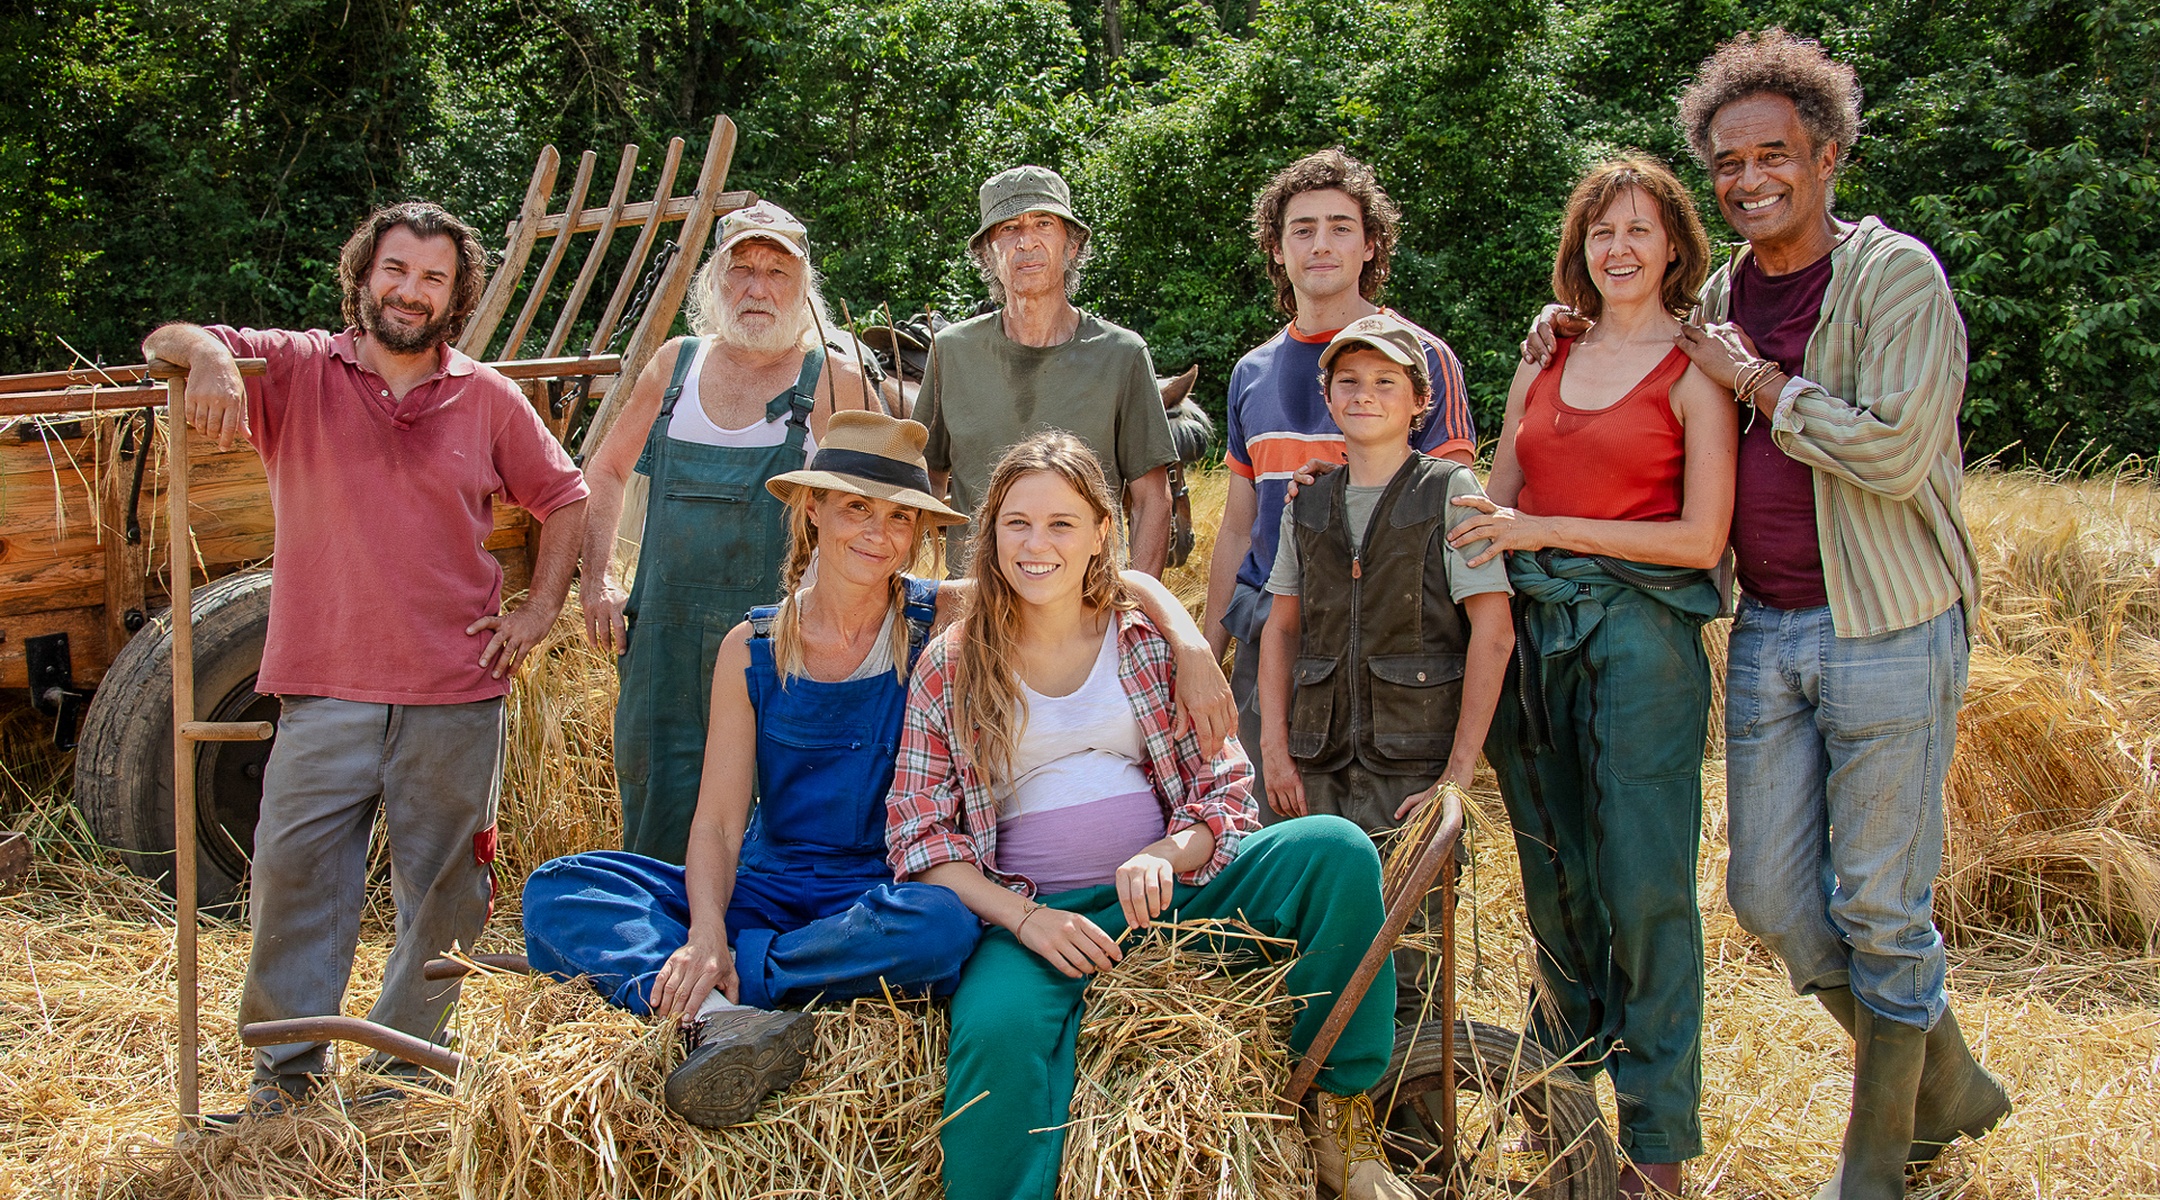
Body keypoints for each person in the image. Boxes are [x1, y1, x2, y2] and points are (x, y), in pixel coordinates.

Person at [1525, 31, 2007, 1199]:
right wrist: (1566, 329)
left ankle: (1880, 1162)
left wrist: (1759, 386)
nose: (1750, 179)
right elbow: (1636, 368)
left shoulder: (1893, 277)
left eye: (1775, 154)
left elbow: (1894, 454)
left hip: (1886, 620)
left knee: (1880, 906)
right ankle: (1946, 1085)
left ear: (1830, 154)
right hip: (1770, 625)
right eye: (1729, 162)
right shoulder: (1725, 295)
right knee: (1770, 899)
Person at [523, 412, 1233, 1128]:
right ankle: (721, 1009)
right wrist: (706, 927)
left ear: (919, 533)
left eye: (899, 517)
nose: (876, 532)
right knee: (562, 888)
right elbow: (717, 821)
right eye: (855, 508)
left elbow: (1114, 578)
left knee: (945, 929)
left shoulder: (943, 614)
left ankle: (741, 986)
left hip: (883, 894)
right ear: (813, 511)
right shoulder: (754, 645)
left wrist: (1190, 641)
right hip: (770, 887)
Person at [142, 202, 591, 1115]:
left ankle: (402, 1077)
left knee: (445, 893)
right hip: (322, 684)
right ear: (364, 275)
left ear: (457, 293)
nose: (411, 292)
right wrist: (218, 357)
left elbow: (567, 496)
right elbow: (167, 338)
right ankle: (287, 1083)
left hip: (455, 690)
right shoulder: (300, 369)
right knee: (293, 878)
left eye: (433, 277)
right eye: (396, 270)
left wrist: (538, 610)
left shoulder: (488, 395)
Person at [887, 432, 1418, 1200]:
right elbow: (917, 832)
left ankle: (1340, 1114)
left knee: (1336, 849)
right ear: (990, 533)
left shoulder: (1145, 642)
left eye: (1062, 523)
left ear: (1103, 531)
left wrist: (1168, 853)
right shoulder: (954, 662)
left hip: (1168, 898)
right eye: (1017, 524)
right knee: (996, 1037)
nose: (1038, 545)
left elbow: (1226, 788)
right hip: (1037, 919)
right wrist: (1023, 919)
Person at [1467, 156, 1738, 1196]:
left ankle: (1660, 1145)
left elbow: (1701, 536)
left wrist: (1547, 528)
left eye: (1639, 231)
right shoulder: (1547, 351)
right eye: (1599, 233)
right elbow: (1495, 504)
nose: (1618, 250)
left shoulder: (1699, 365)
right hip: (1535, 633)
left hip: (1643, 636)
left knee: (1643, 886)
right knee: (1556, 875)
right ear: (1577, 250)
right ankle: (1563, 1106)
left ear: (1675, 245)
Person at [579, 201, 881, 864]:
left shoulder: (833, 379)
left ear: (805, 288)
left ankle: (745, 959)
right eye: (741, 268)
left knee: (771, 826)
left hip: (778, 650)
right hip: (661, 648)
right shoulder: (675, 367)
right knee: (657, 812)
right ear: (714, 282)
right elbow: (601, 472)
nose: (757, 286)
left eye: (778, 271)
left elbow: (879, 513)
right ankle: (654, 957)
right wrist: (597, 579)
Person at [1252, 312, 1514, 1020]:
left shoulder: (1450, 492)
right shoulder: (1306, 502)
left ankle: (1412, 1122)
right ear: (1329, 398)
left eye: (1385, 382)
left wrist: (1457, 777)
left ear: (1419, 401)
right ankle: (1326, 1124)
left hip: (1410, 772)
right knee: (1307, 964)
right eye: (1349, 382)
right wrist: (1276, 751)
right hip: (1316, 766)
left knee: (1411, 967)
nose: (1365, 394)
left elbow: (1493, 632)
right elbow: (1280, 631)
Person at [1204, 148, 1478, 817]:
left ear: (1371, 245)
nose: (1320, 244)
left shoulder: (1422, 361)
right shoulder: (1253, 373)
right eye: (1302, 229)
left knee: (1395, 860)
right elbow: (1240, 526)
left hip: (1389, 651)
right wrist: (1207, 653)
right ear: (1276, 248)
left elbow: (1455, 516)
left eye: (1340, 227)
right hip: (1273, 632)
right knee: (1271, 842)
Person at [917, 165, 1178, 575]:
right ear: (987, 253)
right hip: (977, 604)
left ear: (1071, 246)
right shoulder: (952, 352)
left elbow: (1152, 499)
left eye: (1044, 224)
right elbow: (923, 478)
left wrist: (1130, 610)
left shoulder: (1120, 354)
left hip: (1086, 607)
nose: (1026, 242)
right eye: (1008, 229)